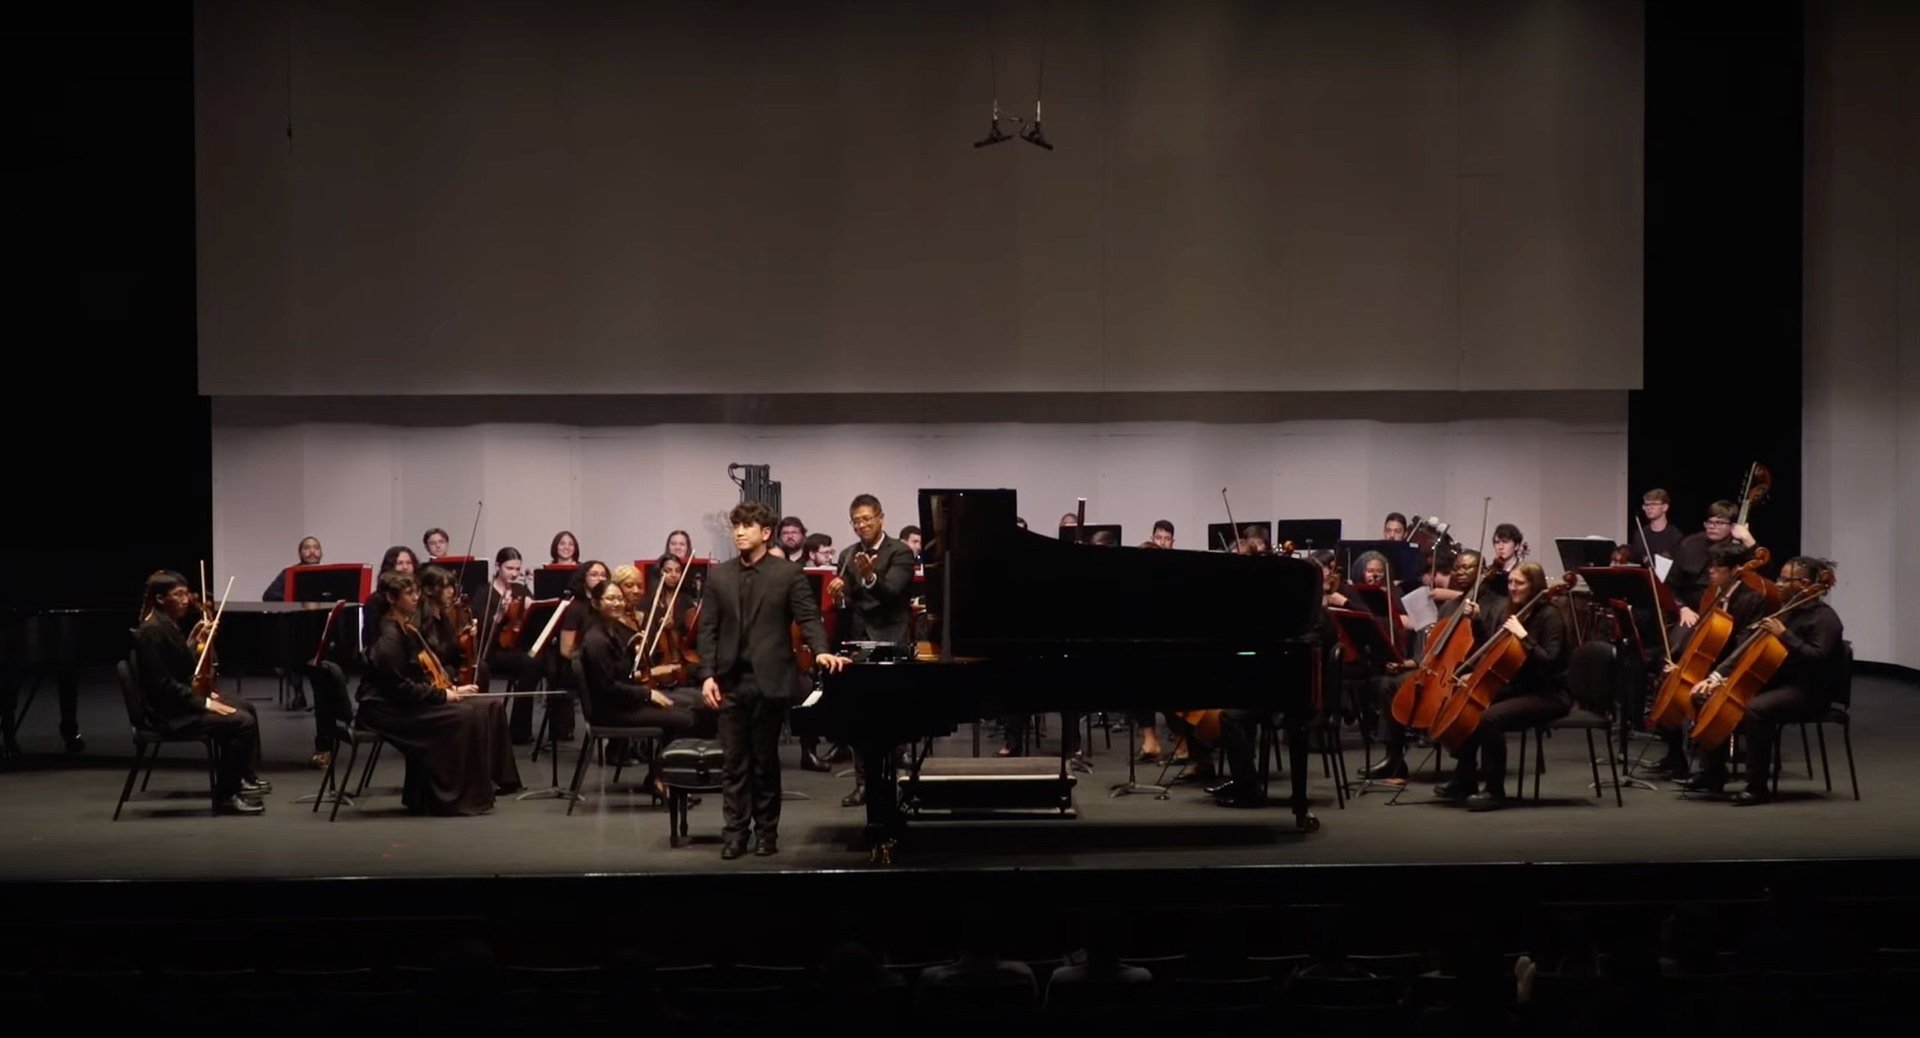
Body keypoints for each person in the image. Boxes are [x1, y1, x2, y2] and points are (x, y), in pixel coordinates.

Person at [695, 501, 849, 859]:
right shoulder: (720, 575)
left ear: (765, 533)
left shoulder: (787, 574)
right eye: (736, 526)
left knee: (765, 761)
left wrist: (821, 649)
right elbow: (708, 631)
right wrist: (706, 675)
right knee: (734, 763)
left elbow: (808, 617)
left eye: (747, 526)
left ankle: (766, 833)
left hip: (771, 679)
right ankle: (735, 834)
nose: (739, 531)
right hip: (730, 680)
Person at [1680, 557, 1844, 805]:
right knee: (1706, 696)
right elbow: (1747, 650)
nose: (1777, 584)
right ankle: (1712, 774)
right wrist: (1717, 677)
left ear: (1804, 583)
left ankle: (1757, 787)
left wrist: (1784, 635)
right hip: (1779, 683)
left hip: (1809, 692)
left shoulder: (1825, 619)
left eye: (1784, 580)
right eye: (1779, 578)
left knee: (1756, 710)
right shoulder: (1787, 611)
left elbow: (1817, 658)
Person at [357, 571, 521, 815]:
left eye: (416, 592)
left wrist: (452, 688)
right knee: (463, 715)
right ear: (392, 599)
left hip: (400, 702)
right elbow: (401, 688)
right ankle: (449, 798)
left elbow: (420, 675)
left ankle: (480, 787)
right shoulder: (389, 638)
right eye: (409, 594)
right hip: (384, 710)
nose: (416, 597)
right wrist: (443, 696)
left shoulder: (406, 627)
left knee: (483, 706)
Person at [1432, 560, 1569, 810]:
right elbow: (1495, 650)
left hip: (1548, 694)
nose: (1513, 587)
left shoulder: (1550, 616)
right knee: (1470, 704)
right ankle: (1465, 779)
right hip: (1520, 687)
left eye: (1520, 583)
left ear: (1534, 586)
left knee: (1490, 718)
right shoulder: (1515, 611)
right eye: (1510, 582)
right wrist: (1477, 622)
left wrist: (1524, 636)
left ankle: (1495, 791)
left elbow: (1550, 662)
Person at [134, 571, 267, 814]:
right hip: (168, 714)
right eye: (179, 595)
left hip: (176, 703)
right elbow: (163, 685)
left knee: (244, 707)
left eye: (186, 594)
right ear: (160, 598)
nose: (186, 600)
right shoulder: (152, 631)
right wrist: (203, 702)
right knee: (241, 722)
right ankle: (227, 797)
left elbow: (181, 667)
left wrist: (196, 639)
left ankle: (241, 778)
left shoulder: (164, 624)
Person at [825, 494, 917, 806]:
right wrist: (838, 595)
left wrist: (869, 577)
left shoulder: (901, 552)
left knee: (891, 717)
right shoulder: (848, 554)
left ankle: (893, 780)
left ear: (881, 518)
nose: (861, 525)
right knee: (857, 716)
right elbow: (846, 605)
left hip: (891, 640)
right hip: (857, 642)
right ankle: (864, 784)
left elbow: (891, 593)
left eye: (867, 518)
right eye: (856, 521)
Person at [580, 579, 701, 797]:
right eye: (610, 599)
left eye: (619, 598)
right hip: (609, 711)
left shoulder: (611, 632)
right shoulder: (596, 640)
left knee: (681, 711)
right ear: (596, 603)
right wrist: (647, 693)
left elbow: (621, 675)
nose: (617, 603)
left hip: (620, 703)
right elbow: (607, 688)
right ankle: (660, 780)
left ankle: (660, 777)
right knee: (684, 720)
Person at [480, 547, 548, 743]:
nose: (514, 573)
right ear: (497, 567)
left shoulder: (520, 589)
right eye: (509, 568)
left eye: (517, 569)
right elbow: (482, 632)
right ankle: (519, 730)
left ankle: (520, 728)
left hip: (515, 648)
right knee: (531, 664)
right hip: (492, 651)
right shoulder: (485, 592)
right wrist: (499, 615)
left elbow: (531, 622)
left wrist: (532, 608)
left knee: (537, 661)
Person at [1628, 489, 1683, 564]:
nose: (1649, 508)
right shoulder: (1640, 534)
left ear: (1665, 507)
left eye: (1654, 504)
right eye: (1646, 505)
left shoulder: (1675, 536)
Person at [261, 536, 323, 601]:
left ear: (321, 553)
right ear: (300, 553)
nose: (312, 551)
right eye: (307, 548)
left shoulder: (329, 573)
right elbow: (269, 596)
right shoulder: (290, 572)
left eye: (316, 548)